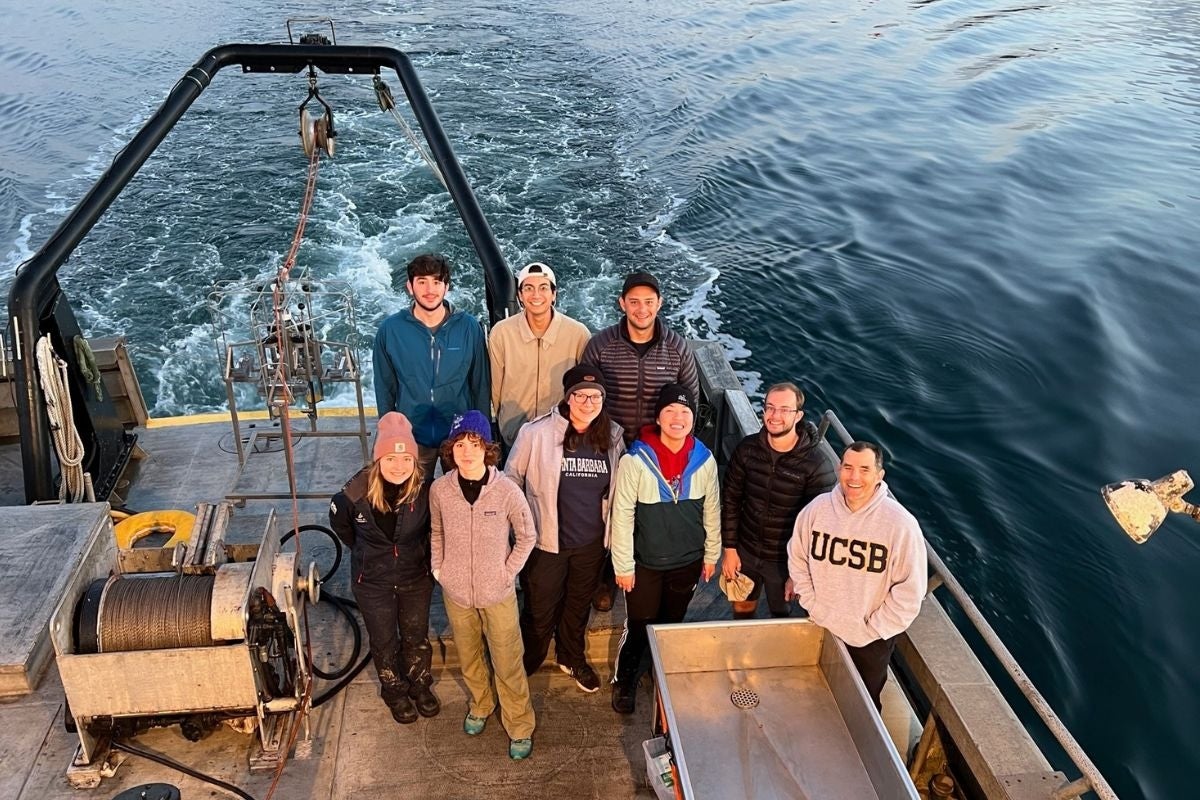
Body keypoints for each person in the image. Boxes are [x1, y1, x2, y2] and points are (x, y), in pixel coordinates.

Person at [582, 271, 700, 612]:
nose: (641, 308)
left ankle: (641, 572)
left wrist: (680, 449)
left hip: (655, 449)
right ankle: (605, 575)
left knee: (648, 512)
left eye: (649, 302)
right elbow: (585, 396)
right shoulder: (601, 345)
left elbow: (690, 402)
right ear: (622, 304)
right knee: (605, 512)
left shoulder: (678, 348)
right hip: (609, 444)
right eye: (633, 301)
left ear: (659, 304)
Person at [505, 364, 625, 692]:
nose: (588, 402)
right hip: (545, 543)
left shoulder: (613, 436)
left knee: (576, 606)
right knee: (539, 608)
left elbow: (617, 491)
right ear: (568, 398)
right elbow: (510, 480)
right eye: (581, 395)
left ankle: (571, 656)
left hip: (590, 544)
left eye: (596, 396)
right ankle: (529, 657)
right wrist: (521, 529)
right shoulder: (535, 433)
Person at [787, 441, 928, 710]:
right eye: (848, 467)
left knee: (864, 703)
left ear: (879, 475)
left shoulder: (900, 524)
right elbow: (798, 557)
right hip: (818, 621)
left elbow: (910, 591)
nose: (854, 477)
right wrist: (813, 604)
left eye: (864, 469)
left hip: (869, 638)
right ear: (839, 469)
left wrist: (873, 628)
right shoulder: (817, 509)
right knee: (812, 688)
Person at [430, 410, 538, 760]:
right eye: (459, 444)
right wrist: (440, 570)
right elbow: (437, 532)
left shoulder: (505, 490)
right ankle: (481, 704)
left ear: (487, 448)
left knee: (508, 660)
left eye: (474, 443)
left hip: (498, 594)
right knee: (470, 657)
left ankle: (519, 725)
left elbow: (526, 536)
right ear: (450, 450)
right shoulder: (440, 490)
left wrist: (507, 573)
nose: (466, 451)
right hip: (456, 593)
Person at [609, 384, 719, 714]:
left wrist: (712, 553)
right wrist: (623, 565)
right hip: (645, 563)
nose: (677, 418)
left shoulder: (705, 460)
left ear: (692, 419)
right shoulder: (635, 461)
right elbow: (622, 514)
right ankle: (625, 679)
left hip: (687, 561)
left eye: (685, 412)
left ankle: (658, 672)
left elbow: (712, 509)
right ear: (658, 417)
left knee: (672, 622)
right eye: (670, 411)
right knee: (640, 623)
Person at [329, 412, 438, 725]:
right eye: (391, 457)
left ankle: (419, 684)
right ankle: (394, 690)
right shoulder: (351, 497)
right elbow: (342, 526)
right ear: (378, 459)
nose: (399, 466)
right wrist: (369, 554)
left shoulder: (427, 491)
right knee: (384, 639)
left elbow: (435, 530)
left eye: (406, 458)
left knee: (416, 636)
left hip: (415, 577)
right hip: (372, 581)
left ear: (415, 461)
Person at [721, 382, 836, 619]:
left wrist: (799, 572)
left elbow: (818, 526)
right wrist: (730, 549)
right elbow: (731, 499)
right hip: (746, 549)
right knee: (741, 606)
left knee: (781, 613)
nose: (775, 416)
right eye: (770, 408)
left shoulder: (817, 465)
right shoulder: (747, 449)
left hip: (786, 560)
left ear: (798, 416)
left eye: (785, 410)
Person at [373, 253, 490, 479]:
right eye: (422, 282)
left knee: (461, 501)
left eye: (437, 282)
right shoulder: (390, 330)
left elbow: (480, 385)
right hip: (412, 435)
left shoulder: (469, 327)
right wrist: (390, 435)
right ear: (410, 286)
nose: (430, 290)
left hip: (459, 436)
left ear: (446, 287)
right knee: (411, 504)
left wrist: (479, 438)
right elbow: (384, 388)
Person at [488, 262, 591, 449]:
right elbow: (495, 387)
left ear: (554, 294)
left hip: (561, 437)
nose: (536, 295)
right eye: (528, 288)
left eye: (543, 288)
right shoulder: (501, 333)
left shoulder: (578, 334)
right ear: (519, 295)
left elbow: (584, 387)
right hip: (514, 436)